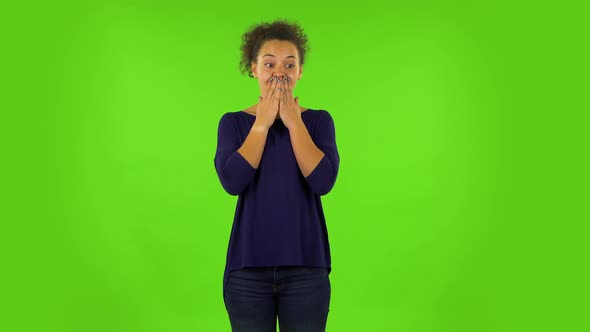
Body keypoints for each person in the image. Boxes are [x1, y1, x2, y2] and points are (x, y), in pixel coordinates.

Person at [214, 19, 340, 332]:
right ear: (253, 69)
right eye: (269, 64)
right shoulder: (233, 124)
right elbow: (232, 181)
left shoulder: (318, 122)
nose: (279, 72)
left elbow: (323, 182)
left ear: (300, 71)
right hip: (247, 272)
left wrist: (294, 123)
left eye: (289, 64)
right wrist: (263, 123)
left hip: (306, 270)